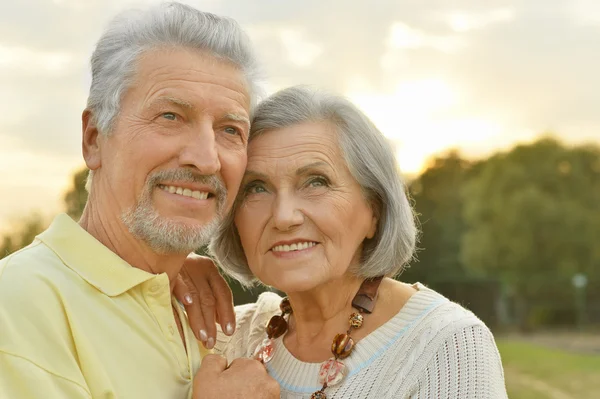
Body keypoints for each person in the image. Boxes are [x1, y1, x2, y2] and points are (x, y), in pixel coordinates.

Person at [0, 3, 279, 398]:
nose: (206, 158)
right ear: (94, 139)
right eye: (170, 117)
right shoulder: (19, 307)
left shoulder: (202, 314)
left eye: (230, 129)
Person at [198, 86, 508, 398]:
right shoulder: (226, 335)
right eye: (256, 187)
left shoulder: (446, 346)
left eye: (316, 182)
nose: (283, 216)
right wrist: (169, 268)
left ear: (374, 210)